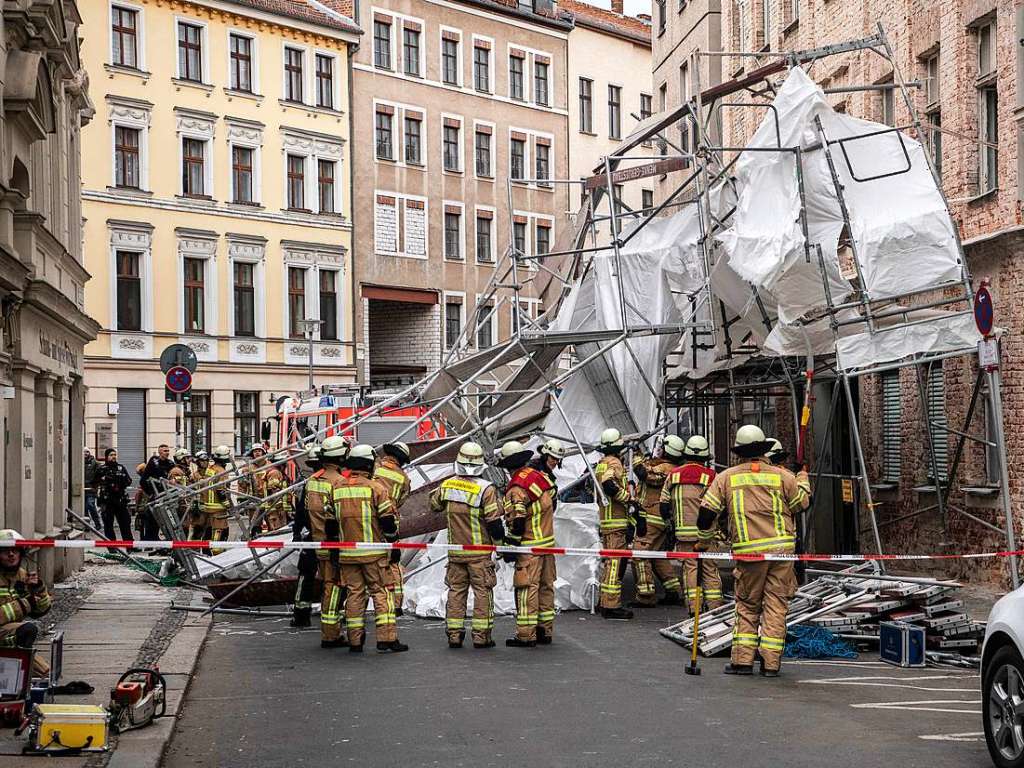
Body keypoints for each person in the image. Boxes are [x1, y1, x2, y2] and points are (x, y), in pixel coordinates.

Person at [696, 424, 810, 678]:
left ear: (739, 452)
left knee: (748, 606)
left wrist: (703, 542)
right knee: (776, 606)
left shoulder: (726, 477)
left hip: (749, 554)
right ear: (763, 449)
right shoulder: (782, 476)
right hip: (782, 553)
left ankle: (743, 662)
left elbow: (706, 514)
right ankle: (771, 664)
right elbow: (801, 504)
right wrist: (803, 480)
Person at [429, 442, 503, 649]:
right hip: (479, 553)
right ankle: (481, 637)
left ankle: (454, 635)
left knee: (456, 591)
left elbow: (434, 505)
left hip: (455, 552)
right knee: (482, 592)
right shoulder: (485, 489)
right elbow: (494, 522)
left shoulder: (447, 485)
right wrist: (501, 546)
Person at [335, 444, 407, 653]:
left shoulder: (338, 488)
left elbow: (331, 524)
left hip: (347, 554)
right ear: (368, 464)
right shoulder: (376, 489)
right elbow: (387, 522)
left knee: (355, 595)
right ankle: (386, 639)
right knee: (381, 593)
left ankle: (355, 641)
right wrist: (394, 545)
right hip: (374, 554)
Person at [499, 439, 557, 646]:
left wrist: (510, 545)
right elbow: (554, 494)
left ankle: (526, 635)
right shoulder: (537, 476)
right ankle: (545, 631)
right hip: (547, 543)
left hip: (529, 546)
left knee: (526, 589)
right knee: (546, 587)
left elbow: (518, 520)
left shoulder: (516, 488)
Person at [660, 435, 723, 615]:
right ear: (704, 457)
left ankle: (693, 610)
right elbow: (721, 504)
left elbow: (663, 504)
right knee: (710, 570)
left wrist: (670, 524)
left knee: (690, 570)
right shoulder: (712, 476)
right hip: (707, 534)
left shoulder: (674, 475)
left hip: (683, 534)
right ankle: (715, 610)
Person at [593, 428, 643, 620]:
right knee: (615, 563)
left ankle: (604, 600)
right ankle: (611, 606)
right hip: (615, 521)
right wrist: (628, 498)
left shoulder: (601, 463)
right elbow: (608, 485)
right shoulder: (614, 463)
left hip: (606, 520)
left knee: (609, 563)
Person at [630, 438, 685, 607]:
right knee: (657, 556)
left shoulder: (668, 469)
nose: (659, 450)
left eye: (662, 448)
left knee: (639, 554)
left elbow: (645, 474)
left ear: (668, 451)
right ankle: (673, 591)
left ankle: (646, 595)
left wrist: (637, 457)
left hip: (652, 518)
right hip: (655, 518)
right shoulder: (664, 465)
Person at [306, 437, 349, 646]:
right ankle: (331, 633)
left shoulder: (313, 480)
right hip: (336, 545)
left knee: (327, 585)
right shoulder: (339, 482)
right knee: (334, 587)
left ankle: (331, 630)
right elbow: (340, 516)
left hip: (318, 542)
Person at [0, 530, 52, 675]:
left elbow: (40, 611)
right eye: (5, 551)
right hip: (7, 632)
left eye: (15, 550)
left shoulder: (22, 574)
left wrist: (38, 589)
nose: (11, 554)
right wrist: (25, 604)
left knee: (46, 676)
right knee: (27, 630)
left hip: (9, 632)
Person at [374, 442, 412, 616]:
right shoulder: (403, 478)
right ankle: (396, 604)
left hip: (370, 520)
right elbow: (402, 501)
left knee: (369, 559)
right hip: (391, 520)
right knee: (393, 562)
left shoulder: (374, 468)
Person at [291, 444, 323, 629]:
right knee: (334, 577)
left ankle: (301, 615)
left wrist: (297, 532)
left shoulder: (309, 483)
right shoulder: (338, 481)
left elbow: (301, 512)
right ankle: (335, 615)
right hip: (332, 539)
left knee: (305, 575)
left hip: (311, 537)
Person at [96, 448, 133, 541]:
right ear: (106, 457)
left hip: (120, 499)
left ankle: (129, 545)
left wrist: (120, 481)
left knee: (125, 523)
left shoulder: (121, 468)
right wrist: (105, 481)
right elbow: (94, 482)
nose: (113, 457)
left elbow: (129, 481)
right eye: (111, 455)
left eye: (114, 455)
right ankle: (112, 546)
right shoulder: (102, 469)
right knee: (108, 524)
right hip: (107, 501)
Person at [83, 448, 101, 528]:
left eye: (87, 452)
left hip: (91, 489)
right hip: (82, 489)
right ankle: (87, 526)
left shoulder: (95, 463)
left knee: (90, 505)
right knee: (84, 508)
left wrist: (96, 485)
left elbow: (99, 474)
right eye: (84, 452)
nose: (86, 453)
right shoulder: (79, 462)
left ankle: (97, 523)